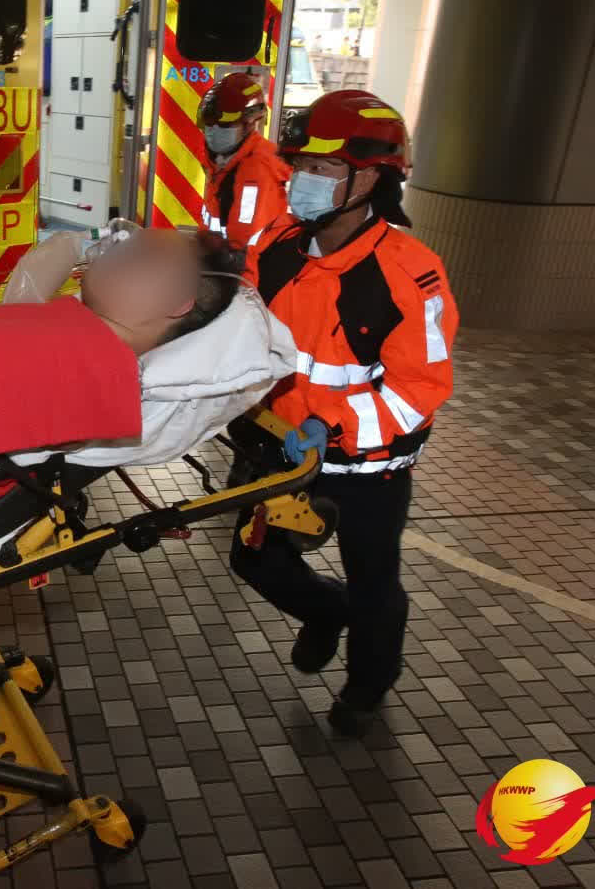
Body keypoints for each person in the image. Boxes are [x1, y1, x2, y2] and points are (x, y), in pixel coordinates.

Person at [238, 89, 458, 737]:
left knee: (373, 583)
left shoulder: (410, 272)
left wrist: (329, 422)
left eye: (326, 167)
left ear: (371, 178)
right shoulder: (277, 245)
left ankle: (367, 685)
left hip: (368, 469)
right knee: (255, 560)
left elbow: (419, 389)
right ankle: (324, 612)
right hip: (280, 450)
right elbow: (245, 331)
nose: (304, 178)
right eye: (302, 164)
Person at [196, 72, 291, 281]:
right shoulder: (225, 161)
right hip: (218, 268)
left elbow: (243, 246)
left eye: (225, 126)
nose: (213, 131)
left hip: (240, 280)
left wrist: (230, 290)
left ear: (250, 124)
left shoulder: (255, 170)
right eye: (209, 124)